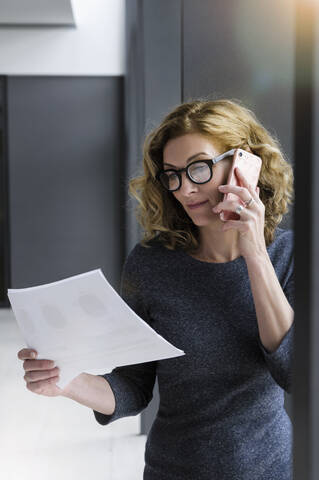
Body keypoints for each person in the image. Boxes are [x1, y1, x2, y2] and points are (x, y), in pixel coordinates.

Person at [17, 98, 295, 479]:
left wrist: (256, 256)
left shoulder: (290, 256)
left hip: (268, 470)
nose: (184, 189)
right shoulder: (152, 263)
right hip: (172, 469)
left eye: (199, 168)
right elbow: (133, 385)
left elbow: (296, 373)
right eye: (172, 174)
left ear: (243, 163)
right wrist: (66, 382)